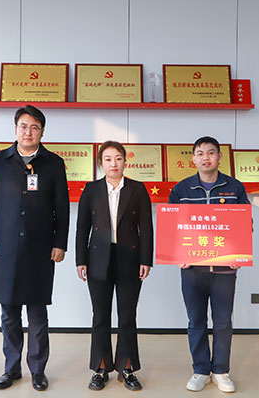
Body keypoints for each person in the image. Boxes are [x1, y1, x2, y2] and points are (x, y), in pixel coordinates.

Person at [0, 105, 69, 391]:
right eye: (23, 126)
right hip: (5, 248)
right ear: (15, 129)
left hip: (40, 248)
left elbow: (61, 208)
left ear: (42, 131)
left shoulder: (54, 164)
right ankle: (11, 369)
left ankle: (37, 370)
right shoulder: (0, 161)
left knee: (37, 313)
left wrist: (59, 243)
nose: (28, 132)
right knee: (9, 313)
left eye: (34, 127)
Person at [168, 136, 250, 393]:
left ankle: (221, 371)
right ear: (193, 158)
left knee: (223, 322)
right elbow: (172, 228)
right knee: (196, 321)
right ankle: (201, 370)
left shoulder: (234, 188)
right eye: (201, 153)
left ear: (219, 157)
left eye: (211, 152)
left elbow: (246, 224)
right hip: (192, 269)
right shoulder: (181, 190)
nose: (206, 157)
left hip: (225, 270)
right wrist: (176, 255)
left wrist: (239, 254)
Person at [75, 141, 153, 391]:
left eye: (118, 158)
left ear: (125, 161)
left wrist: (146, 260)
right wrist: (80, 260)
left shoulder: (138, 189)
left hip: (130, 259)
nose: (114, 164)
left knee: (127, 316)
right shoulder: (91, 190)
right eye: (108, 159)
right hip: (98, 258)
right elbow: (82, 228)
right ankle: (100, 368)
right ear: (101, 163)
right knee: (100, 316)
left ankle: (126, 368)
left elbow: (146, 228)